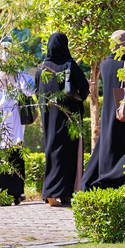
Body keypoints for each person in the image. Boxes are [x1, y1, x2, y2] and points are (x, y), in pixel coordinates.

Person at [80, 30, 125, 191]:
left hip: (108, 111)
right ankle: (118, 179)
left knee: (109, 143)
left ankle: (104, 177)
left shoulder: (105, 64)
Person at [36, 32, 90, 206]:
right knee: (69, 153)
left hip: (49, 116)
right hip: (69, 116)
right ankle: (58, 192)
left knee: (52, 150)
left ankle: (56, 192)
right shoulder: (69, 64)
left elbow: (37, 92)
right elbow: (83, 88)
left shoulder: (41, 68)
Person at [0, 43, 35, 206]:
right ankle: (13, 193)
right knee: (13, 153)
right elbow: (29, 90)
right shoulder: (17, 72)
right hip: (12, 117)